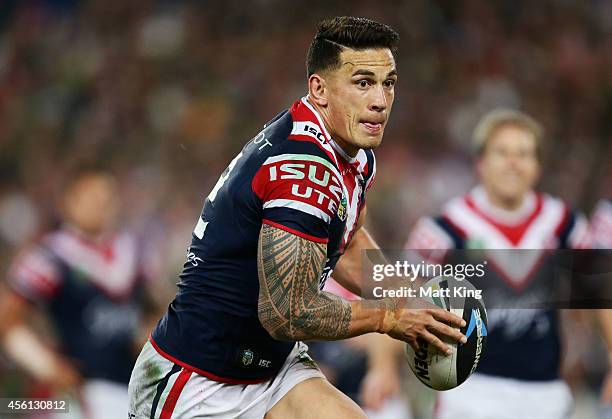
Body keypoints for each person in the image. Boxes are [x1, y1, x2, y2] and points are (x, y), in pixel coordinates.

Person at [128, 16, 466, 419]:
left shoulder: (349, 151)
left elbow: (348, 237)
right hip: (199, 381)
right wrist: (390, 316)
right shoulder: (304, 170)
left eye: (387, 83)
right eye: (362, 83)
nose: (379, 100)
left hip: (273, 371)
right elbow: (287, 312)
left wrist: (404, 295)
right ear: (319, 89)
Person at [402, 108, 612, 419]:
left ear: (538, 165)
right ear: (481, 162)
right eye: (502, 152)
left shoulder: (564, 223)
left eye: (524, 153)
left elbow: (598, 292)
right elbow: (400, 294)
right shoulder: (444, 228)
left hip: (545, 391)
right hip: (470, 391)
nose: (513, 163)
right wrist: (386, 367)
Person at [0, 168, 161, 419]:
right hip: (79, 393)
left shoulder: (134, 251)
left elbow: (156, 311)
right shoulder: (51, 254)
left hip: (129, 389)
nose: (100, 204)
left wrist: (149, 338)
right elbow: (8, 320)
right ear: (69, 202)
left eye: (106, 197)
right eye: (91, 196)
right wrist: (45, 364)